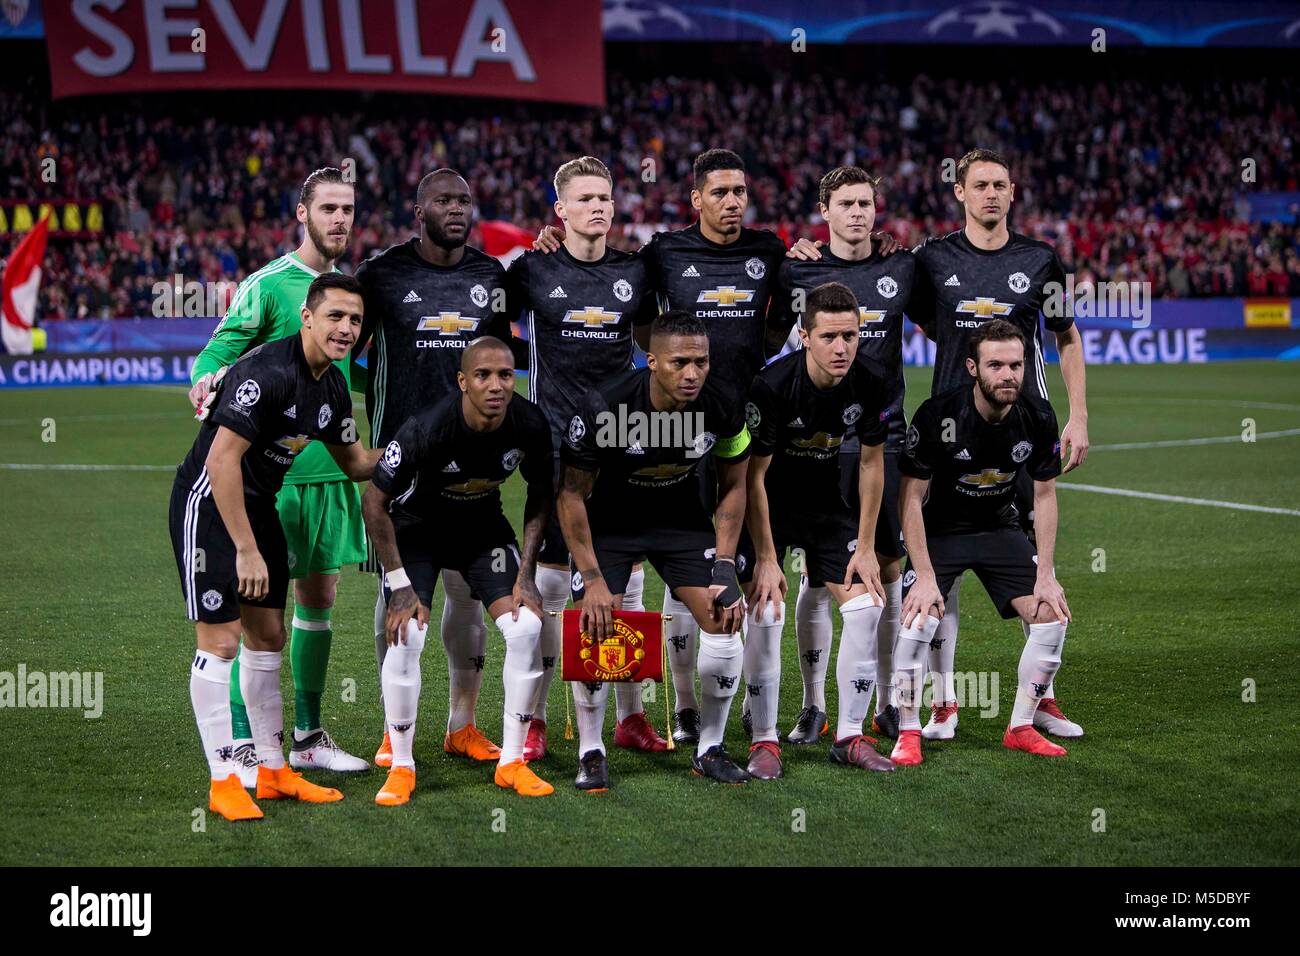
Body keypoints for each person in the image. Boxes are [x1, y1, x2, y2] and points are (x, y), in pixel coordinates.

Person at [171, 274, 381, 821]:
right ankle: (223, 781)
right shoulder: (268, 372)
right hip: (210, 503)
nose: (346, 328)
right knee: (221, 641)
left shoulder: (332, 387)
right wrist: (245, 548)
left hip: (258, 503)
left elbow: (357, 463)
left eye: (355, 320)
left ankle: (273, 771)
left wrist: (422, 443)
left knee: (268, 637)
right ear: (307, 318)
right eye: (335, 316)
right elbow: (220, 461)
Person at [188, 168, 368, 779]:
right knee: (254, 610)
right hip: (274, 480)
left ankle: (307, 735)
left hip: (331, 475)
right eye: (329, 208)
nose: (340, 219)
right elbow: (218, 349)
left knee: (318, 604)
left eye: (348, 208)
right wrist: (207, 379)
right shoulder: (269, 285)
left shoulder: (351, 289)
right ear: (303, 213)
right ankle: (243, 741)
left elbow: (353, 377)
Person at [353, 168, 525, 769]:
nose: (456, 209)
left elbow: (500, 359)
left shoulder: (490, 277)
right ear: (418, 209)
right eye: (443, 200)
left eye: (464, 201)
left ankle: (463, 723)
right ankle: (391, 727)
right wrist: (376, 431)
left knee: (467, 596)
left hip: (471, 465)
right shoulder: (381, 274)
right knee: (396, 594)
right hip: (403, 468)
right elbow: (347, 351)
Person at [504, 156, 666, 761]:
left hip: (619, 449)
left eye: (606, 197)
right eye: (586, 198)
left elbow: (654, 344)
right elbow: (492, 328)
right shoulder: (533, 271)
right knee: (548, 587)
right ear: (561, 211)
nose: (599, 206)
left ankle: (630, 717)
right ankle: (538, 719)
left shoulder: (634, 272)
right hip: (552, 450)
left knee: (621, 583)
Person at [557, 311, 752, 787]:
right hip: (611, 527)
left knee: (725, 616)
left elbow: (735, 484)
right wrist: (595, 578)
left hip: (682, 524)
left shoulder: (723, 403)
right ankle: (591, 750)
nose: (692, 374)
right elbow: (570, 495)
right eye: (680, 362)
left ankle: (709, 746)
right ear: (652, 362)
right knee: (595, 622)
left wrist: (725, 565)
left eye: (701, 362)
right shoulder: (605, 406)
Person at [362, 337, 556, 802]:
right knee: (408, 634)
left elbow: (542, 495)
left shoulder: (529, 422)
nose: (496, 385)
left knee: (526, 625)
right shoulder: (427, 428)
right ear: (462, 381)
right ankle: (402, 765)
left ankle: (511, 761)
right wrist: (398, 582)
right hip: (419, 530)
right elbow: (374, 501)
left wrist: (525, 574)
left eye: (506, 375)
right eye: (484, 376)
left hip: (481, 531)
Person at [765, 166, 915, 744]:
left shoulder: (901, 267)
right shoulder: (796, 268)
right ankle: (812, 704)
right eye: (846, 204)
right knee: (819, 576)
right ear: (824, 211)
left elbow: (946, 322)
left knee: (887, 569)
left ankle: (888, 700)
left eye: (866, 203)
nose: (858, 213)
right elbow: (772, 339)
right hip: (812, 446)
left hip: (883, 438)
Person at [892, 319, 1073, 766]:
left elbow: (1046, 495)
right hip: (941, 532)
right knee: (918, 618)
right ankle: (910, 729)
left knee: (1052, 615)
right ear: (973, 367)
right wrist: (925, 575)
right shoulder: (939, 415)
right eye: (996, 365)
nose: (1007, 374)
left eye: (1015, 365)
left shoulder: (1038, 416)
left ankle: (1021, 725)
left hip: (999, 529)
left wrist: (1045, 575)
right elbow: (910, 498)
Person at [742, 282, 898, 776]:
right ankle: (764, 739)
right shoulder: (770, 387)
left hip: (826, 503)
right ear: (805, 337)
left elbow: (872, 466)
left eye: (850, 336)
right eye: (829, 336)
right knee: (765, 610)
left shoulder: (870, 380)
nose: (842, 347)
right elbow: (754, 477)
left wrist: (868, 545)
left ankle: (850, 736)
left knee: (869, 604)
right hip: (769, 505)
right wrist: (767, 557)